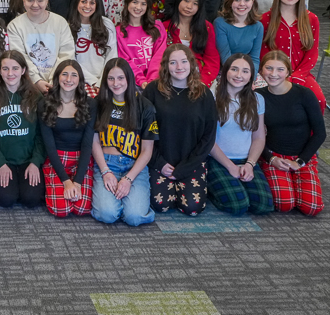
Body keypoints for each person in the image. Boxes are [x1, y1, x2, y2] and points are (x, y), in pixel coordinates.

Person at [143, 45, 217, 216]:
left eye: (184, 61)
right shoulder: (152, 91)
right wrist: (159, 163)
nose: (179, 67)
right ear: (165, 65)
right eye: (173, 62)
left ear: (191, 63)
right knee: (160, 205)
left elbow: (209, 136)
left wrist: (186, 167)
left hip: (191, 162)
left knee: (192, 208)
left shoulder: (204, 93)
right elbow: (143, 131)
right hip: (160, 160)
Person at [90, 59, 158, 227]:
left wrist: (128, 179)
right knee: (107, 214)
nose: (116, 83)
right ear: (105, 80)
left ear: (129, 78)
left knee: (135, 217)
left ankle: (129, 205)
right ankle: (117, 204)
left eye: (121, 78)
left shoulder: (145, 106)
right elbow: (94, 142)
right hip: (106, 164)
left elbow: (147, 150)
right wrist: (105, 171)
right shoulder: (98, 104)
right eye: (111, 78)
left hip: (134, 166)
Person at [259, 51, 325, 216]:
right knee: (284, 204)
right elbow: (254, 135)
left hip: (302, 156)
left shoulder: (304, 94)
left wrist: (301, 161)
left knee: (312, 207)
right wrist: (270, 158)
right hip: (275, 156)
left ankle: (297, 182)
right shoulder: (258, 96)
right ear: (261, 70)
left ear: (288, 71)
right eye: (269, 68)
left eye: (280, 69)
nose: (273, 74)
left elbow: (320, 133)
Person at [206, 55, 274, 216]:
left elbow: (258, 137)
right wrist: (230, 167)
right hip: (217, 159)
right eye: (234, 69)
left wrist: (250, 164)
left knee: (263, 205)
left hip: (246, 159)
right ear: (225, 72)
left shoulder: (257, 99)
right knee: (238, 205)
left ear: (251, 76)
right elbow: (207, 140)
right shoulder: (211, 97)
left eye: (245, 71)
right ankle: (209, 188)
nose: (239, 75)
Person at [0, 50, 45, 208]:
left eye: (15, 68)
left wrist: (35, 162)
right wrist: (0, 163)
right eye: (5, 69)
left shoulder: (36, 97)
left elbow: (42, 134)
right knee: (6, 198)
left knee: (31, 199)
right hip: (3, 160)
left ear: (23, 70)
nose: (10, 73)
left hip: (28, 160)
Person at [38, 60, 96, 217]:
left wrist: (77, 182)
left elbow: (87, 144)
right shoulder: (45, 103)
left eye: (74, 75)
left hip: (81, 159)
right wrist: (66, 181)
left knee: (82, 208)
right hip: (56, 159)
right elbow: (49, 146)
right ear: (57, 77)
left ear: (80, 79)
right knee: (61, 210)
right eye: (64, 74)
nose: (69, 79)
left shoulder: (90, 103)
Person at [260, 0, 324, 111]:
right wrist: (273, 73)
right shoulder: (265, 19)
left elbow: (312, 53)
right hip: (273, 74)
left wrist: (298, 76)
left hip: (301, 73)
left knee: (318, 100)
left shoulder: (311, 19)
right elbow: (263, 51)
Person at [7, 0, 76, 94]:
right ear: (23, 1)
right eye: (30, 0)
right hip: (27, 83)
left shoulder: (60, 22)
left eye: (40, 0)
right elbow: (20, 57)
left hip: (60, 81)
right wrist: (37, 80)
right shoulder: (15, 26)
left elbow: (66, 54)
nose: (35, 5)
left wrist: (54, 80)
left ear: (47, 0)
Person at [163, 0, 220, 86]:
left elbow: (212, 58)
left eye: (195, 3)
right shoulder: (164, 27)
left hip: (199, 77)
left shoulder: (206, 27)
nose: (189, 6)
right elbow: (159, 59)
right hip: (171, 76)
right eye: (186, 1)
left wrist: (203, 82)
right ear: (178, 0)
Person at [67, 0, 117, 97]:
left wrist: (101, 81)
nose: (87, 6)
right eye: (83, 2)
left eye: (92, 3)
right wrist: (93, 81)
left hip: (105, 78)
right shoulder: (68, 26)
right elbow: (71, 59)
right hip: (79, 78)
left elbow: (112, 55)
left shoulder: (107, 24)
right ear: (76, 3)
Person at [116, 0, 167, 88]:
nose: (138, 7)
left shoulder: (157, 27)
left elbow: (159, 56)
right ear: (127, 3)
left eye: (143, 4)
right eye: (135, 2)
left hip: (156, 80)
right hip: (131, 81)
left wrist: (152, 81)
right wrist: (141, 80)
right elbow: (124, 60)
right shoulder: (119, 31)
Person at [214, 0, 263, 70]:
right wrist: (238, 74)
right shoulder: (220, 23)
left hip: (247, 70)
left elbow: (255, 59)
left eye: (246, 0)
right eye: (237, 0)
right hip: (225, 69)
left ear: (252, 2)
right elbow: (225, 57)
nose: (242, 4)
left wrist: (251, 76)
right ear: (230, 2)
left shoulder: (258, 26)